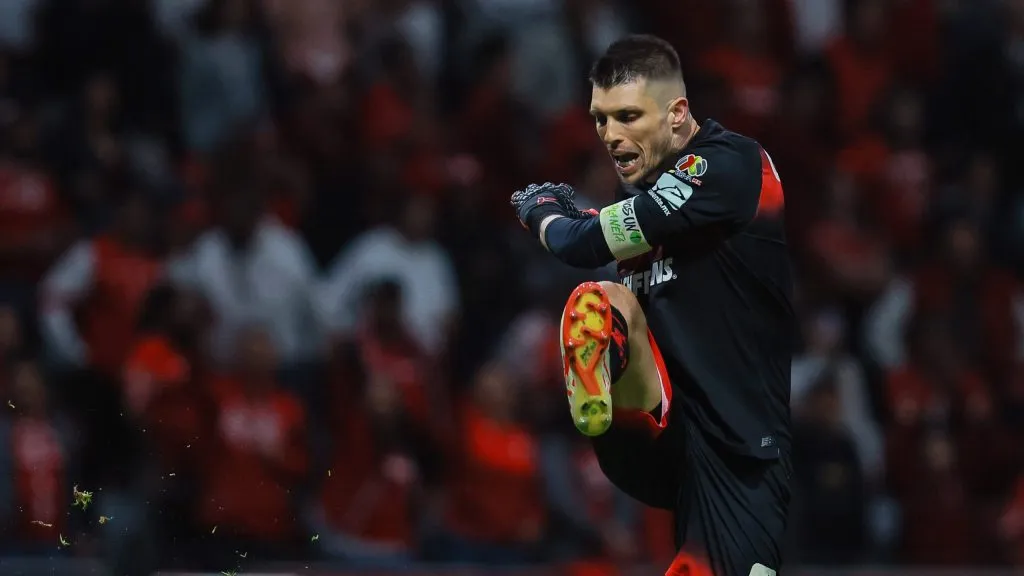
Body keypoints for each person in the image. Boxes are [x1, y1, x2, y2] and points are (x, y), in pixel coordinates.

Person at [510, 35, 794, 576]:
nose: (611, 136)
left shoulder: (730, 165)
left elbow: (578, 243)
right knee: (603, 302)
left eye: (628, 116)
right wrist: (577, 221)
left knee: (603, 291)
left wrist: (541, 213)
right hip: (660, 432)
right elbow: (604, 231)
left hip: (738, 450)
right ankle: (607, 398)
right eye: (600, 119)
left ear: (677, 112)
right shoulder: (642, 201)